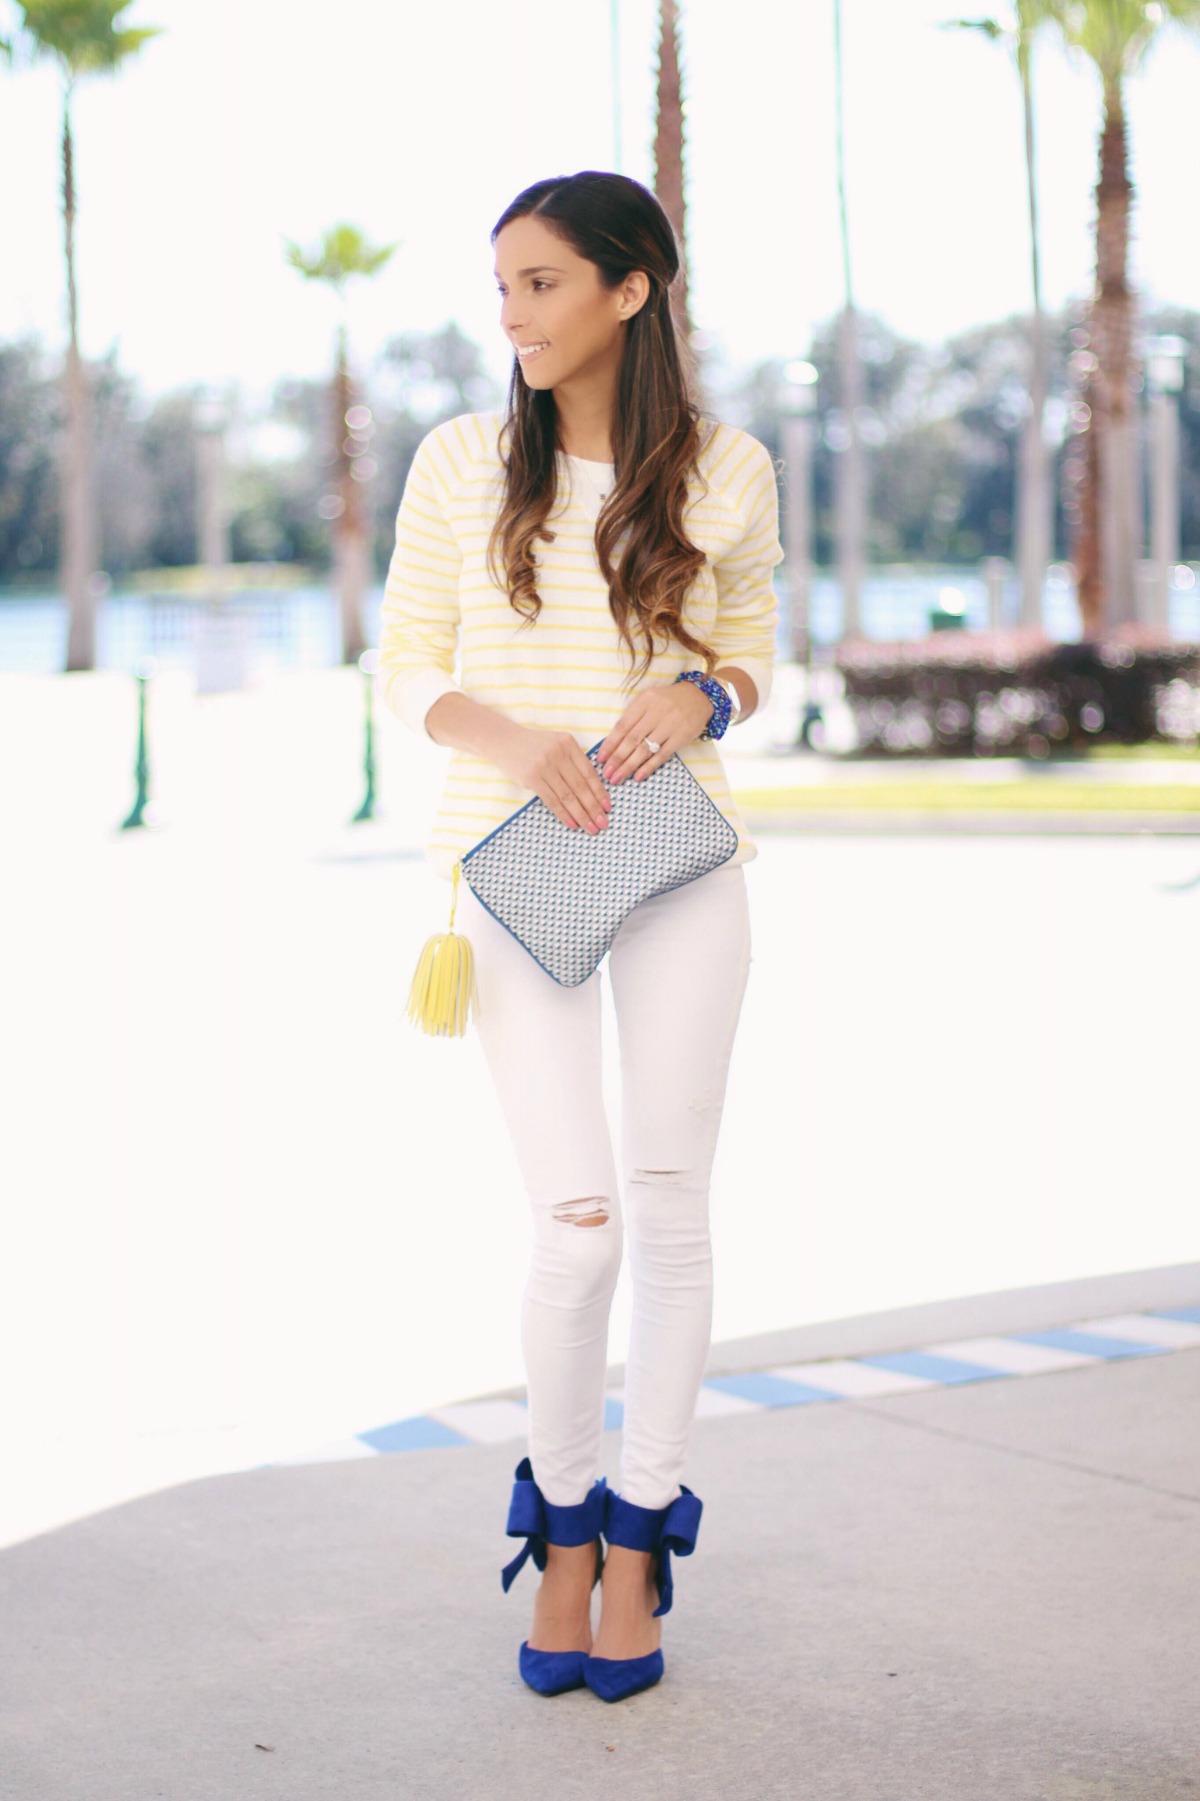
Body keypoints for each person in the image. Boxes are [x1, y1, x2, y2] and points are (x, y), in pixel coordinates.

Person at [375, 171, 783, 1703]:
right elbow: (403, 660)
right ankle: (555, 1527)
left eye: (541, 283)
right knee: (579, 1223)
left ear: (631, 289)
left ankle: (639, 1538)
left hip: (683, 854)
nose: (513, 315)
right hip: (509, 857)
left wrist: (709, 695)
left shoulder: (729, 467)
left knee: (672, 1205)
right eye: (503, 288)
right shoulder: (462, 461)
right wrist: (513, 736)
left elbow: (753, 649)